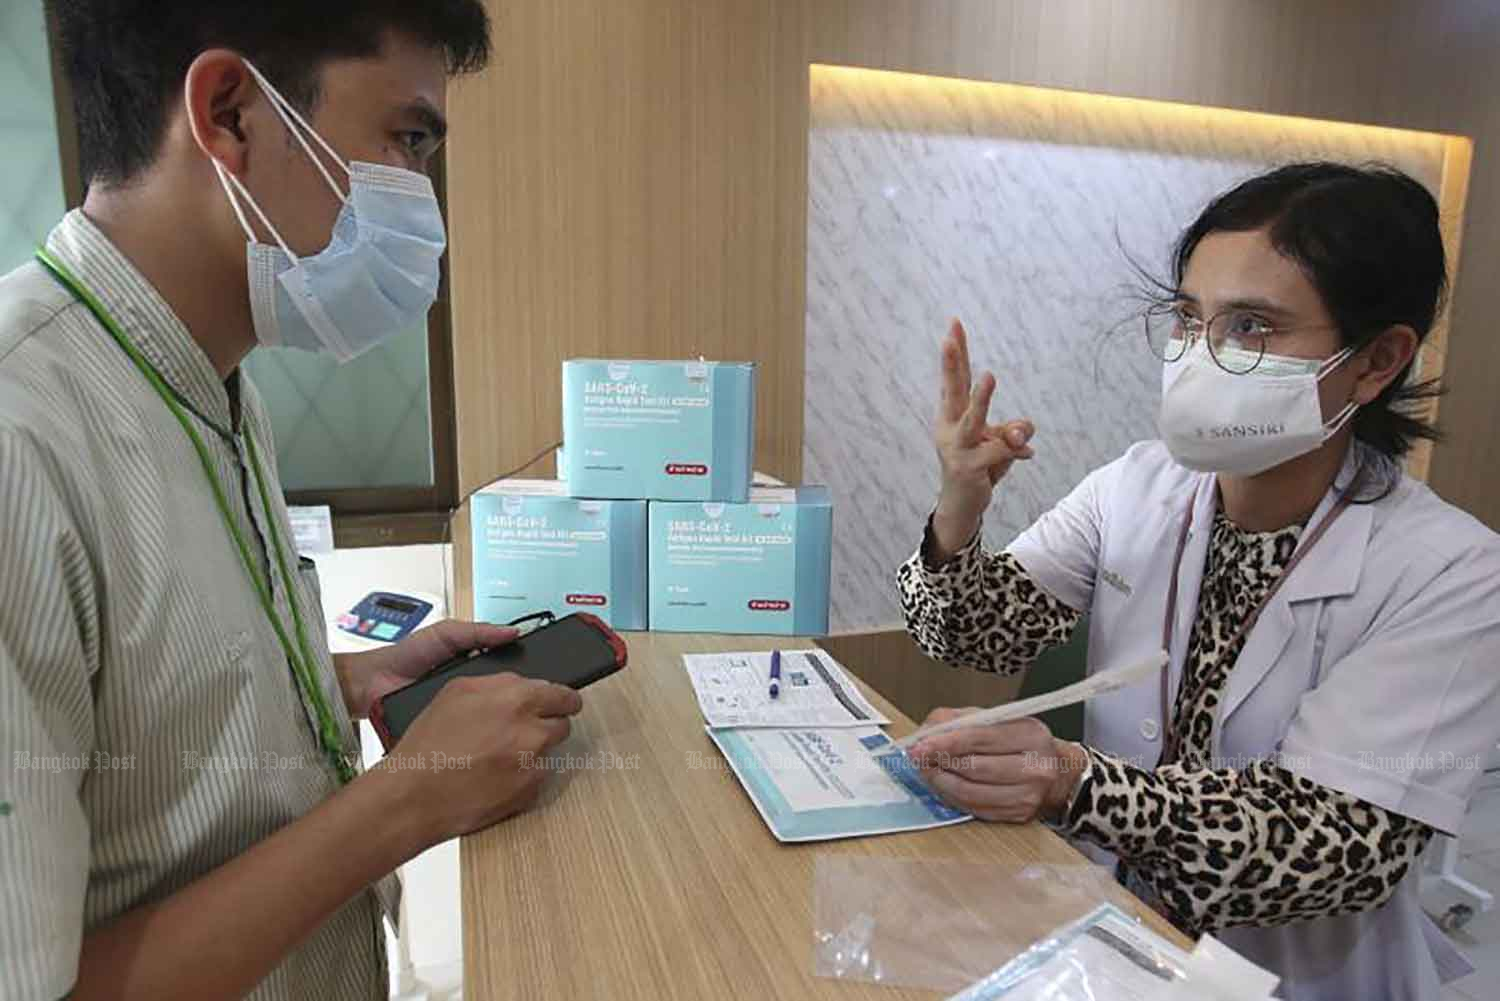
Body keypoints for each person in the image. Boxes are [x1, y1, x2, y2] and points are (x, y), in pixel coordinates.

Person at [0, 4, 583, 999]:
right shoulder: (24, 436)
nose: (419, 195)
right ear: (229, 112)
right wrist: (404, 802)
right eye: (405, 138)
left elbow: (141, 711)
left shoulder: (214, 384)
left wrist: (345, 678)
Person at [897, 163, 1500, 1001]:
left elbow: (1336, 844)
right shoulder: (1134, 487)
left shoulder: (1452, 571)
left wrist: (1073, 781)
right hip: (1114, 938)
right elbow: (966, 633)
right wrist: (957, 513)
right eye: (1189, 317)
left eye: (1252, 327)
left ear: (1376, 363)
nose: (1202, 354)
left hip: (1299, 978)